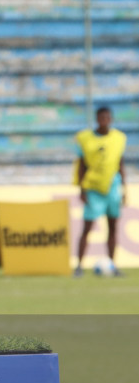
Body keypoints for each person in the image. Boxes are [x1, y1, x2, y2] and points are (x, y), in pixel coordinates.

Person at [74, 106, 127, 276]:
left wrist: (124, 188)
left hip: (112, 186)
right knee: (87, 227)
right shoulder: (85, 138)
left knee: (113, 227)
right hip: (93, 187)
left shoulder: (119, 138)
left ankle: (113, 265)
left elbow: (120, 163)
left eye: (107, 117)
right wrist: (81, 189)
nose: (104, 120)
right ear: (97, 119)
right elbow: (81, 165)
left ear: (110, 119)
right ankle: (79, 266)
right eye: (101, 117)